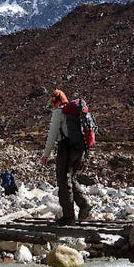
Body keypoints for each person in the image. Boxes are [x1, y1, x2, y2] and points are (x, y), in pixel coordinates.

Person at [39, 89, 92, 224]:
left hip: (66, 148)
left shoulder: (59, 112)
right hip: (80, 149)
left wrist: (46, 155)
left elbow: (52, 135)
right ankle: (85, 205)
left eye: (52, 101)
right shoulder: (76, 112)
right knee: (71, 178)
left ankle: (68, 217)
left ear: (56, 100)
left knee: (63, 180)